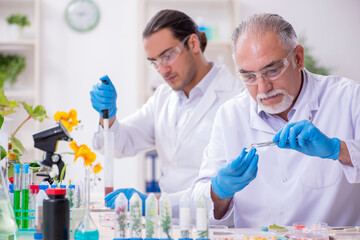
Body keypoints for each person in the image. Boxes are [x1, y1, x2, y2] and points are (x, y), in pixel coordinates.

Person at [192, 13, 360, 228]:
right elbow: (198, 204)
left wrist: (339, 150)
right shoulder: (230, 115)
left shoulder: (349, 98)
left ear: (298, 57)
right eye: (249, 77)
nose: (263, 88)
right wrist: (218, 191)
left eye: (272, 70)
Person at [90, 9, 244, 218]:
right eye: (154, 62)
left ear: (193, 44)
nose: (162, 70)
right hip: (167, 222)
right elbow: (120, 145)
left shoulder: (236, 97)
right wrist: (107, 115)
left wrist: (152, 203)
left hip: (215, 224)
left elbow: (234, 188)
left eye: (167, 56)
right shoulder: (163, 98)